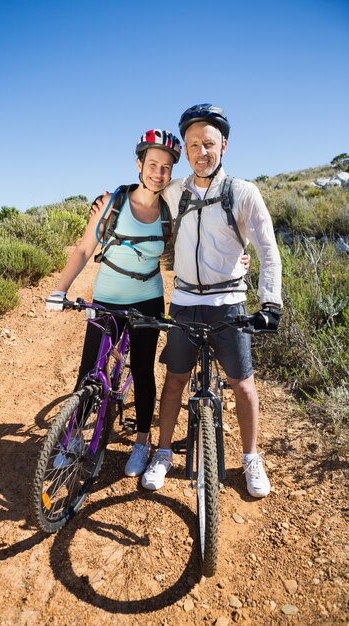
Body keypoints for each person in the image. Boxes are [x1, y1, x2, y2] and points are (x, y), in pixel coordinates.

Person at [139, 104, 283, 497]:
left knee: (243, 384)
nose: (201, 152)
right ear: (185, 150)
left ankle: (252, 458)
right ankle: (164, 453)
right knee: (175, 381)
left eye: (209, 144)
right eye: (193, 145)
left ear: (224, 145)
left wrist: (270, 303)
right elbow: (142, 193)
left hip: (229, 303)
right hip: (185, 300)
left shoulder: (242, 193)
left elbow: (268, 250)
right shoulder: (175, 191)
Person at [46, 129, 182, 477]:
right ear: (139, 164)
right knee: (89, 370)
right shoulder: (112, 203)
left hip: (147, 302)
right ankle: (74, 436)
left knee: (143, 371)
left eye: (166, 167)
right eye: (152, 164)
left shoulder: (170, 211)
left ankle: (141, 443)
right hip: (107, 299)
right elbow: (82, 249)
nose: (158, 173)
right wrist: (60, 289)